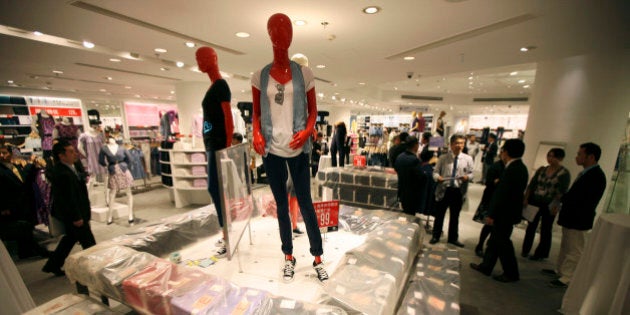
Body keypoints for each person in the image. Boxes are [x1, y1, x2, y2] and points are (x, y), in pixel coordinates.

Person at [251, 13, 328, 283]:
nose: (282, 34)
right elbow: (257, 113)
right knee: (281, 206)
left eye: (287, 29)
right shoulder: (259, 76)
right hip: (272, 149)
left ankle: (317, 256)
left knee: (306, 203)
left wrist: (307, 130)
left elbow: (313, 110)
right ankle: (288, 256)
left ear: (292, 35)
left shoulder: (304, 73)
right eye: (276, 28)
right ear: (270, 34)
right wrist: (256, 132)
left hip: (298, 148)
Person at [544, 142, 606, 288]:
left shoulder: (596, 176)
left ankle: (568, 277)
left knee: (575, 249)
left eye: (580, 154)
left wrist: (562, 199)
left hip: (579, 219)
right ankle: (560, 270)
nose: (577, 157)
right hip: (571, 217)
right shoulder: (586, 173)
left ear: (590, 157)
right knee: (566, 246)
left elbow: (582, 199)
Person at [470, 139, 528, 283]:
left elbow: (502, 194)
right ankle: (486, 266)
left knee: (503, 243)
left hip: (504, 214)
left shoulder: (513, 169)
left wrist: (492, 214)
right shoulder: (520, 168)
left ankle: (511, 273)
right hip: (507, 213)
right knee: (495, 241)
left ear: (506, 152)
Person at [196, 46, 234, 258]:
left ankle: (227, 235)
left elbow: (228, 118)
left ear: (214, 59)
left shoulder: (221, 85)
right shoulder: (213, 86)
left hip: (218, 146)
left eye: (203, 58)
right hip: (212, 145)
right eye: (197, 59)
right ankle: (226, 234)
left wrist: (226, 147)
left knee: (216, 189)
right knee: (216, 190)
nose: (200, 62)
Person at [42, 140, 96, 276]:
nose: (74, 154)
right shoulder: (62, 173)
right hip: (75, 215)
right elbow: (67, 198)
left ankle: (53, 264)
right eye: (70, 151)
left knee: (70, 239)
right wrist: (76, 217)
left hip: (78, 212)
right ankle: (96, 266)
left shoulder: (70, 167)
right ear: (61, 155)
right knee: (89, 242)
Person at [0, 143, 48, 259]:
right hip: (11, 204)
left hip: (22, 202)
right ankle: (37, 251)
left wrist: (32, 167)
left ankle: (26, 251)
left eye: (5, 153)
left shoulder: (15, 166)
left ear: (11, 154)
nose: (2, 155)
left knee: (26, 225)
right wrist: (3, 207)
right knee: (22, 228)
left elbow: (24, 181)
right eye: (0, 153)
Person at [521, 148, 571, 260]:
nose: (550, 159)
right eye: (549, 156)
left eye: (553, 156)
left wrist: (556, 205)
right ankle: (525, 249)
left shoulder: (564, 173)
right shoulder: (542, 170)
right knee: (531, 226)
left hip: (549, 204)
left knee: (546, 229)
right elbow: (532, 184)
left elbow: (562, 192)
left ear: (560, 158)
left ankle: (541, 253)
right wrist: (526, 198)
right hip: (535, 201)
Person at [430, 134, 474, 247]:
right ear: (451, 144)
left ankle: (453, 238)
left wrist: (467, 177)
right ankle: (436, 235)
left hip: (458, 191)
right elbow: (435, 172)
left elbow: (472, 173)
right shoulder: (443, 158)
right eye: (457, 143)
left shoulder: (468, 159)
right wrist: (437, 177)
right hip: (444, 189)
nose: (459, 146)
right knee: (439, 215)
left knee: (455, 216)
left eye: (462, 143)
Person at [98, 136, 134, 225]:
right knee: (112, 193)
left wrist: (125, 166)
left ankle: (130, 214)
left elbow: (130, 159)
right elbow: (101, 160)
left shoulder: (122, 148)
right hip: (113, 170)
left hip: (123, 170)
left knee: (128, 192)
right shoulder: (104, 149)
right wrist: (108, 166)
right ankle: (110, 216)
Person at [473, 159, 505, 257]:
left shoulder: (510, 167)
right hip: (491, 198)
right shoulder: (496, 166)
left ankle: (488, 246)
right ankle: (480, 245)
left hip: (501, 200)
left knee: (495, 226)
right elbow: (489, 182)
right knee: (488, 224)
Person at [394, 136, 428, 216]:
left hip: (401, 191)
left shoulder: (400, 157)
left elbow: (396, 169)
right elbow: (421, 177)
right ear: (416, 145)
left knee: (403, 213)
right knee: (410, 215)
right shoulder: (414, 160)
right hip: (412, 194)